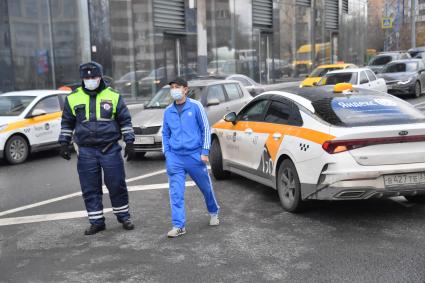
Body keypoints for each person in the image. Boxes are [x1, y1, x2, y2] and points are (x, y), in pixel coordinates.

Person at [58, 61, 136, 235]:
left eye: (94, 76)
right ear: (82, 78)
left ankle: (124, 217)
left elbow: (125, 120)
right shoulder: (73, 97)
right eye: (87, 77)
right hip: (86, 151)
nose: (90, 80)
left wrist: (129, 142)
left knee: (117, 185)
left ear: (100, 77)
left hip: (110, 149)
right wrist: (64, 143)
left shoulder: (114, 96)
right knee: (90, 188)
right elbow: (67, 123)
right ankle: (96, 221)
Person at [162, 76, 220, 238]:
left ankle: (213, 211)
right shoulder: (168, 111)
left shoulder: (196, 106)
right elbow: (165, 133)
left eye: (177, 87)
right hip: (175, 158)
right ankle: (179, 225)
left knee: (206, 188)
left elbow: (205, 130)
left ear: (186, 89)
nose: (174, 90)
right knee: (176, 193)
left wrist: (205, 151)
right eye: (172, 87)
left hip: (195, 156)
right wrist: (167, 153)